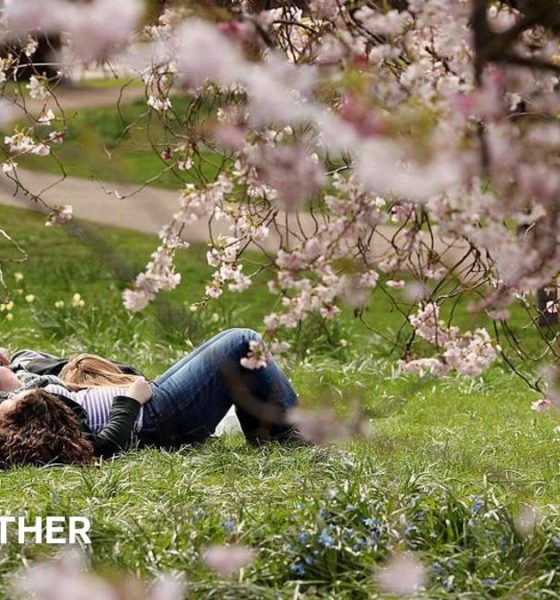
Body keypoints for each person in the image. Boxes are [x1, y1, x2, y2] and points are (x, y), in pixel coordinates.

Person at [0, 329, 305, 467]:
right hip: (156, 418)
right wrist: (131, 400)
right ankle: (292, 438)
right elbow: (103, 448)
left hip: (152, 400)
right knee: (242, 342)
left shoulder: (20, 393)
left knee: (230, 343)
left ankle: (272, 436)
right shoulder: (26, 416)